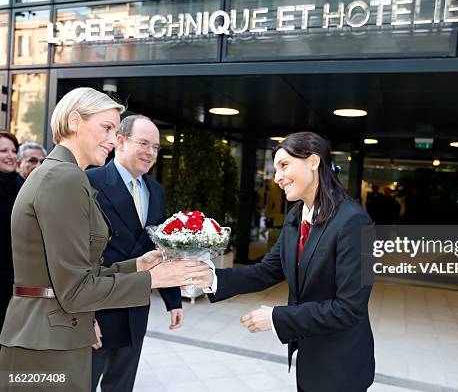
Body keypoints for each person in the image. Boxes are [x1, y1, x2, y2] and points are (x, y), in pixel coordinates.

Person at [0, 87, 212, 392]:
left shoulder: (57, 173)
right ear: (75, 121)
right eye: (107, 127)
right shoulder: (66, 178)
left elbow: (76, 273)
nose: (114, 140)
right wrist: (152, 278)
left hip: (43, 334)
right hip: (50, 343)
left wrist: (137, 266)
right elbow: (75, 290)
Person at [205, 132, 375, 392]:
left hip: (342, 366)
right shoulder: (296, 215)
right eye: (275, 169)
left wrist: (276, 318)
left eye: (284, 165)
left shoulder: (355, 222)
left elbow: (349, 308)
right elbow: (268, 270)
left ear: (314, 162)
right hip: (309, 358)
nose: (277, 178)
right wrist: (212, 278)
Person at [87, 115, 182, 392]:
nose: (151, 153)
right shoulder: (89, 181)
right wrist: (85, 318)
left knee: (122, 385)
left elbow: (161, 248)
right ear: (120, 141)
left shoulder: (156, 190)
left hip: (136, 306)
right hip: (98, 306)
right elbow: (76, 257)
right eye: (144, 143)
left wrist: (173, 299)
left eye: (156, 147)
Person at [0, 131, 20, 336]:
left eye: (14, 150)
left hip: (16, 277)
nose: (10, 155)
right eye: (3, 150)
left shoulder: (21, 185)